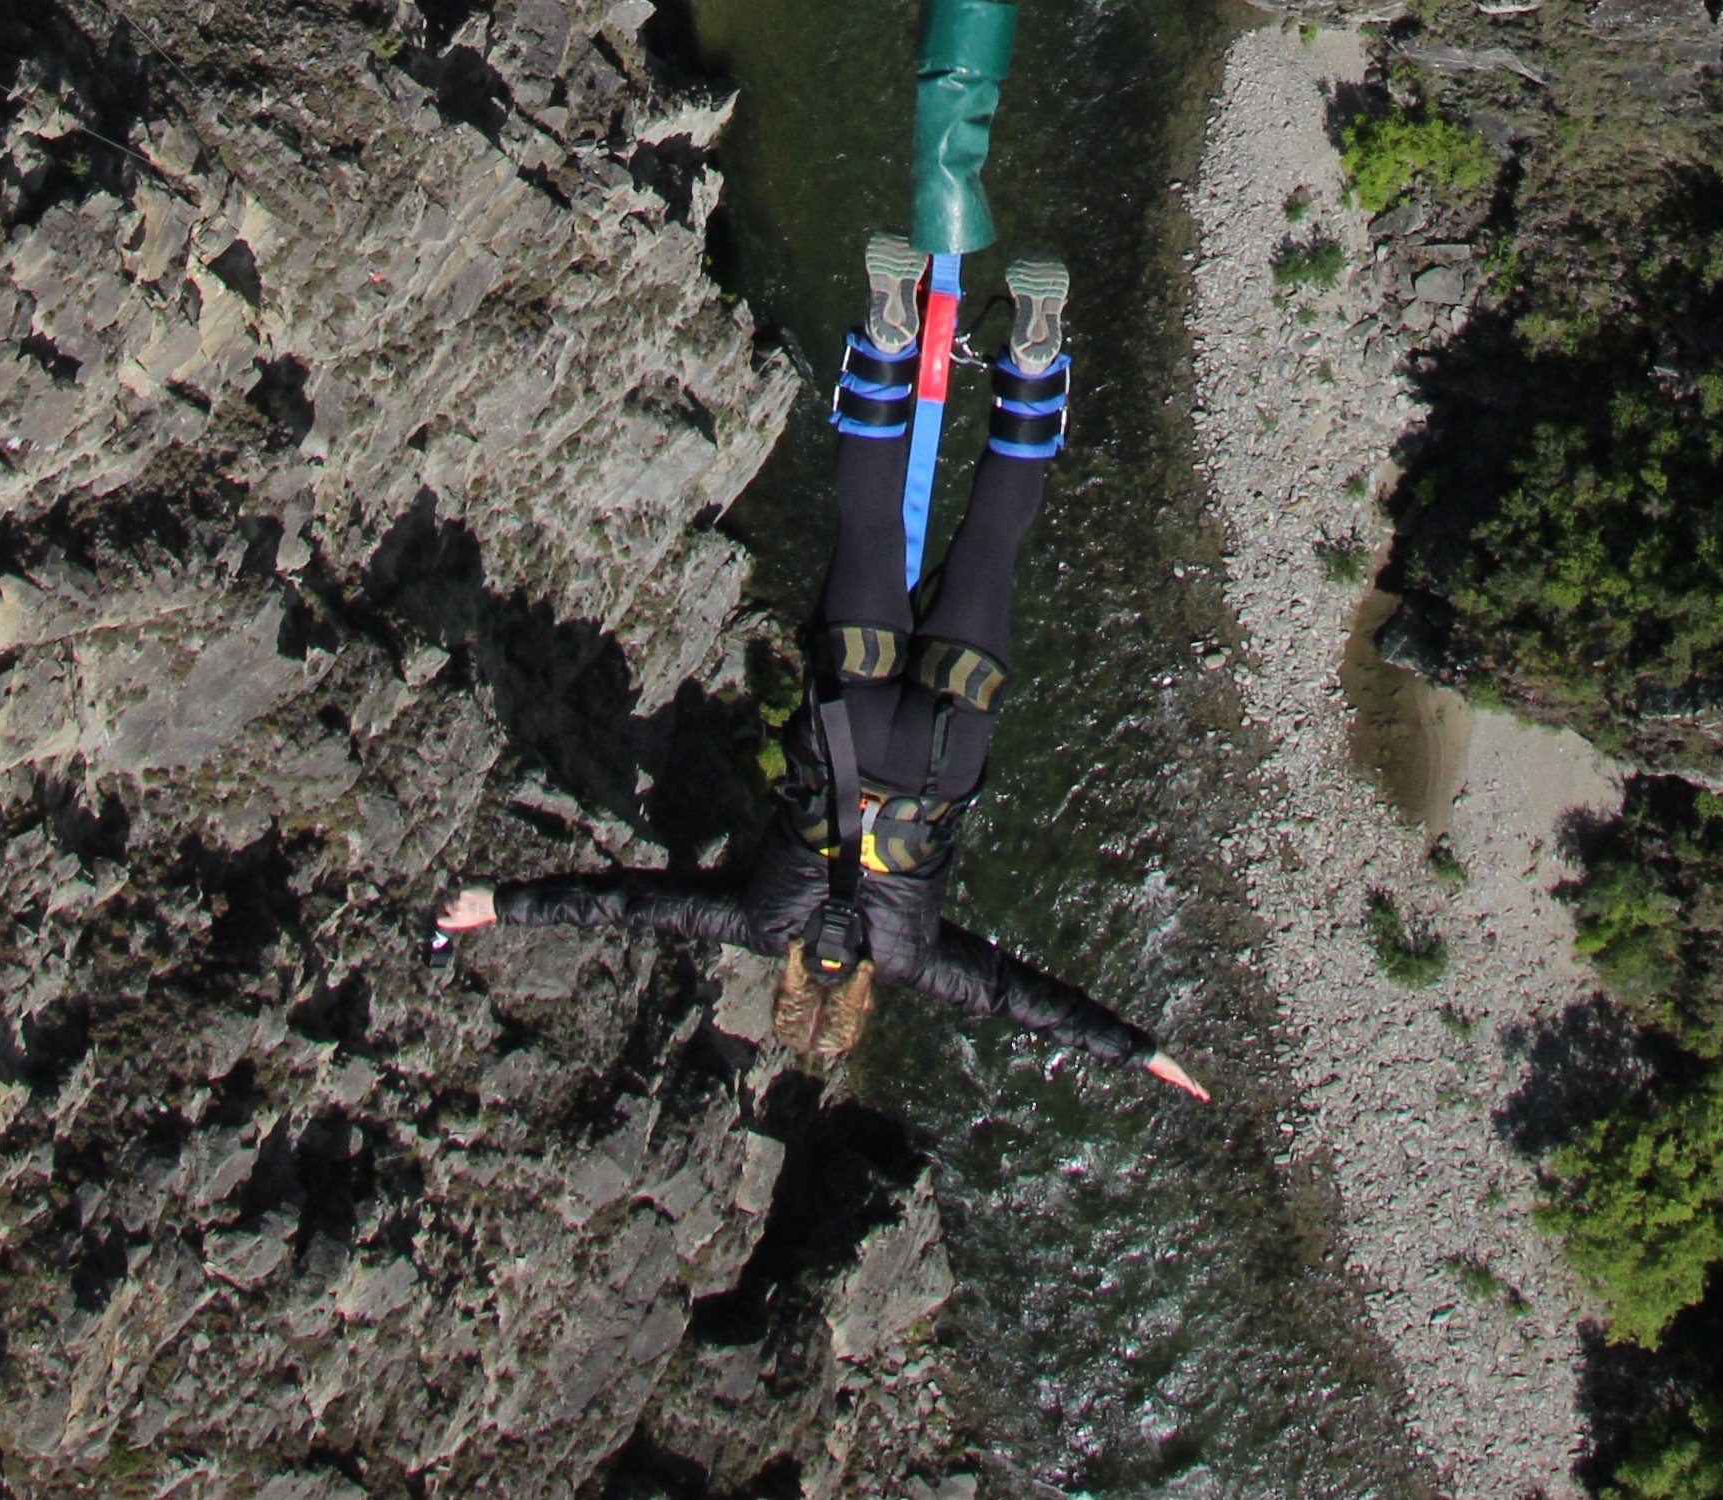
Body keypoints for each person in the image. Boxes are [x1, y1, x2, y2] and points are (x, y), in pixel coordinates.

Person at [435, 236, 1206, 1098]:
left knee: (990, 546)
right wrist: (497, 905)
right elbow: (632, 903)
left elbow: (1019, 997)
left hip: (940, 748)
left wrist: (1138, 1050)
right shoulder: (763, 923)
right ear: (789, 986)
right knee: (869, 526)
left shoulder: (912, 957)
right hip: (848, 719)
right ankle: (885, 340)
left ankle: (1032, 361)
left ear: (861, 1001)